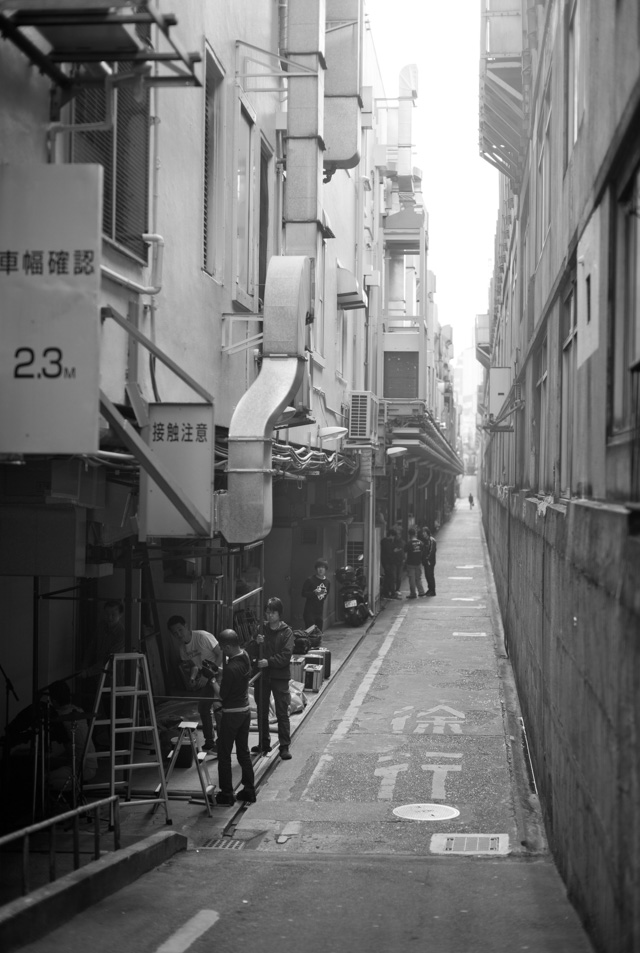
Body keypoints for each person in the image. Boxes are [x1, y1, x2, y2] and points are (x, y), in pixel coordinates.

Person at [167, 615, 223, 753]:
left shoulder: (203, 636)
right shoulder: (182, 649)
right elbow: (195, 665)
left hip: (219, 673)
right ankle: (209, 741)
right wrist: (192, 678)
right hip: (206, 677)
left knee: (218, 706)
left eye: (180, 630)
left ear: (186, 626)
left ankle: (222, 743)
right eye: (175, 633)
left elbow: (221, 653)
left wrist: (209, 673)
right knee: (203, 707)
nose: (179, 634)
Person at [248, 597, 295, 760]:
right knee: (261, 711)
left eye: (272, 612)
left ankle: (284, 746)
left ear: (279, 614)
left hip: (279, 677)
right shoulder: (261, 629)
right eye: (267, 612)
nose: (269, 616)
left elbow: (286, 656)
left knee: (282, 712)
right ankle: (263, 743)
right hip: (263, 677)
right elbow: (251, 651)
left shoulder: (287, 632)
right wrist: (256, 642)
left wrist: (268, 662)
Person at [214, 629, 256, 806]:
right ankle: (248, 790)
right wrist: (218, 669)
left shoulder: (231, 669)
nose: (223, 652)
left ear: (229, 646)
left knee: (224, 754)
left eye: (224, 649)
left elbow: (222, 695)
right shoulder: (245, 655)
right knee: (243, 752)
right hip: (245, 712)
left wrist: (212, 681)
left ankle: (226, 793)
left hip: (231, 715)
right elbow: (237, 675)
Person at [47, 680, 97, 796]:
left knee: (46, 779)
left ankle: (74, 785)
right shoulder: (79, 710)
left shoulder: (60, 718)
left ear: (53, 700)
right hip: (91, 762)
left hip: (81, 767)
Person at [301, 558, 331, 630]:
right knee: (310, 633)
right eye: (319, 567)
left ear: (326, 569)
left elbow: (326, 593)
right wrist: (314, 593)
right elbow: (303, 593)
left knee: (318, 634)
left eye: (323, 567)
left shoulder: (327, 582)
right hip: (309, 612)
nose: (321, 569)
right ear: (316, 568)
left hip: (320, 612)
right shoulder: (310, 580)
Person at [404, 527, 426, 599]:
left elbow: (405, 554)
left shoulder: (408, 543)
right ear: (415, 534)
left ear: (409, 535)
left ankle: (413, 593)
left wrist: (405, 561)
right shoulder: (420, 543)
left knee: (412, 579)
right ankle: (421, 592)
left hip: (410, 563)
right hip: (418, 563)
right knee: (418, 578)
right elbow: (423, 553)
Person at [380, 529, 400, 598]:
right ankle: (392, 593)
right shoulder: (386, 542)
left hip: (386, 562)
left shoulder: (385, 541)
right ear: (391, 535)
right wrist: (394, 551)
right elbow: (389, 552)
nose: (393, 538)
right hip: (388, 562)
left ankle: (385, 592)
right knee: (391, 577)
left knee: (387, 577)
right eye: (393, 536)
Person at [419, 525, 438, 597]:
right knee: (427, 575)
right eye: (422, 532)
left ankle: (432, 590)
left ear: (427, 532)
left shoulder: (431, 540)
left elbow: (431, 551)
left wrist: (427, 559)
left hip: (430, 562)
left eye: (424, 532)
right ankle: (430, 589)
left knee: (430, 575)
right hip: (426, 562)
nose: (423, 533)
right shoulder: (426, 540)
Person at [391, 526, 405, 596]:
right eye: (397, 534)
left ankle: (397, 589)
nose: (398, 535)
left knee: (398, 576)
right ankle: (393, 590)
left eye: (399, 534)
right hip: (394, 561)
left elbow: (402, 550)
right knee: (394, 576)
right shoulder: (392, 542)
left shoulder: (402, 542)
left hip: (400, 561)